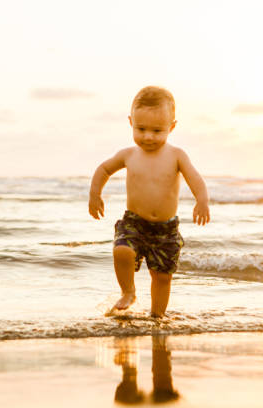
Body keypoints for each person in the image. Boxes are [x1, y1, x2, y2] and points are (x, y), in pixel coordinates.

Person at [88, 86, 210, 317]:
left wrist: (201, 201)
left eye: (157, 130)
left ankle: (158, 317)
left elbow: (195, 179)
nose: (148, 136)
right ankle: (128, 291)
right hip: (134, 223)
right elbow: (104, 169)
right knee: (122, 251)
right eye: (141, 128)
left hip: (166, 229)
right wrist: (95, 194)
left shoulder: (177, 155)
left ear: (171, 127)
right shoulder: (129, 154)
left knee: (162, 276)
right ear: (130, 122)